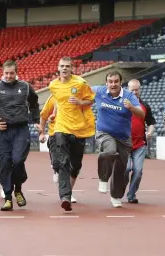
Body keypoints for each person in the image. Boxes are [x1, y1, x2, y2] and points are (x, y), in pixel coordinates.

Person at [0, 60, 40, 211]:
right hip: (2, 131)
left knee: (17, 160)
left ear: (16, 72)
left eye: (12, 73)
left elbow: (34, 103)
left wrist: (36, 120)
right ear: (2, 73)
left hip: (21, 129)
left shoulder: (25, 87)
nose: (9, 76)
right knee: (5, 163)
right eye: (6, 73)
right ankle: (8, 197)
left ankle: (18, 188)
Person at [47, 56, 96, 211]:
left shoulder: (80, 83)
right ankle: (65, 197)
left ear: (72, 68)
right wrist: (53, 114)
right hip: (61, 126)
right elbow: (57, 101)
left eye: (67, 66)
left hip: (79, 128)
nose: (65, 68)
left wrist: (81, 103)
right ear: (58, 67)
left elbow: (91, 100)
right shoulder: (53, 85)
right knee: (63, 162)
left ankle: (68, 188)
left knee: (75, 164)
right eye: (62, 66)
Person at [92, 72, 145, 208]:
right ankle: (103, 178)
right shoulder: (99, 91)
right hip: (104, 132)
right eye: (110, 81)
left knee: (121, 170)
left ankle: (115, 196)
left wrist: (131, 108)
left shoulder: (129, 96)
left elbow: (142, 113)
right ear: (106, 83)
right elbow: (82, 90)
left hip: (123, 138)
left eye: (116, 81)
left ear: (121, 83)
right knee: (110, 151)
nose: (113, 84)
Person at [125, 79, 156, 204]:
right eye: (132, 90)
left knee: (138, 171)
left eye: (137, 89)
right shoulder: (121, 104)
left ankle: (131, 194)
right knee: (126, 169)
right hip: (124, 143)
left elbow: (151, 123)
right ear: (127, 90)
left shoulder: (145, 106)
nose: (134, 92)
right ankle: (118, 190)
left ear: (140, 90)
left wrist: (150, 132)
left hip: (140, 144)